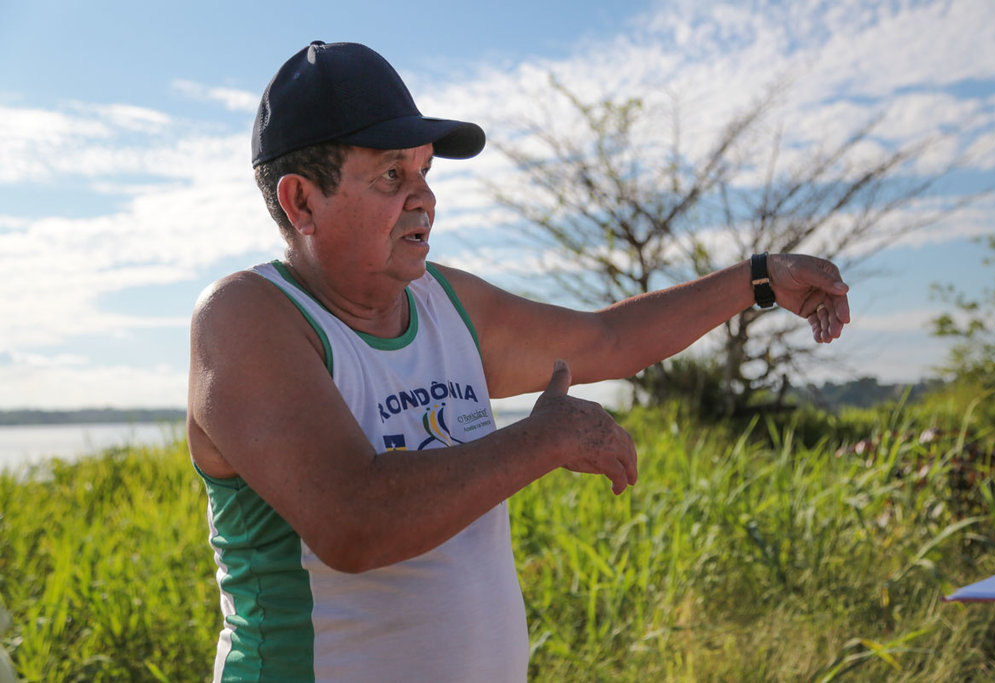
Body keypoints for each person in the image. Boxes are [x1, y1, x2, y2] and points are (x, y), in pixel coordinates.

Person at [187, 41, 851, 682]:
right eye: (393, 175)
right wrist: (541, 439)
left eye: (425, 172)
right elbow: (354, 521)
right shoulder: (247, 318)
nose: (424, 198)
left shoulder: (445, 302)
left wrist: (758, 278)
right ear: (301, 202)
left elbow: (609, 340)